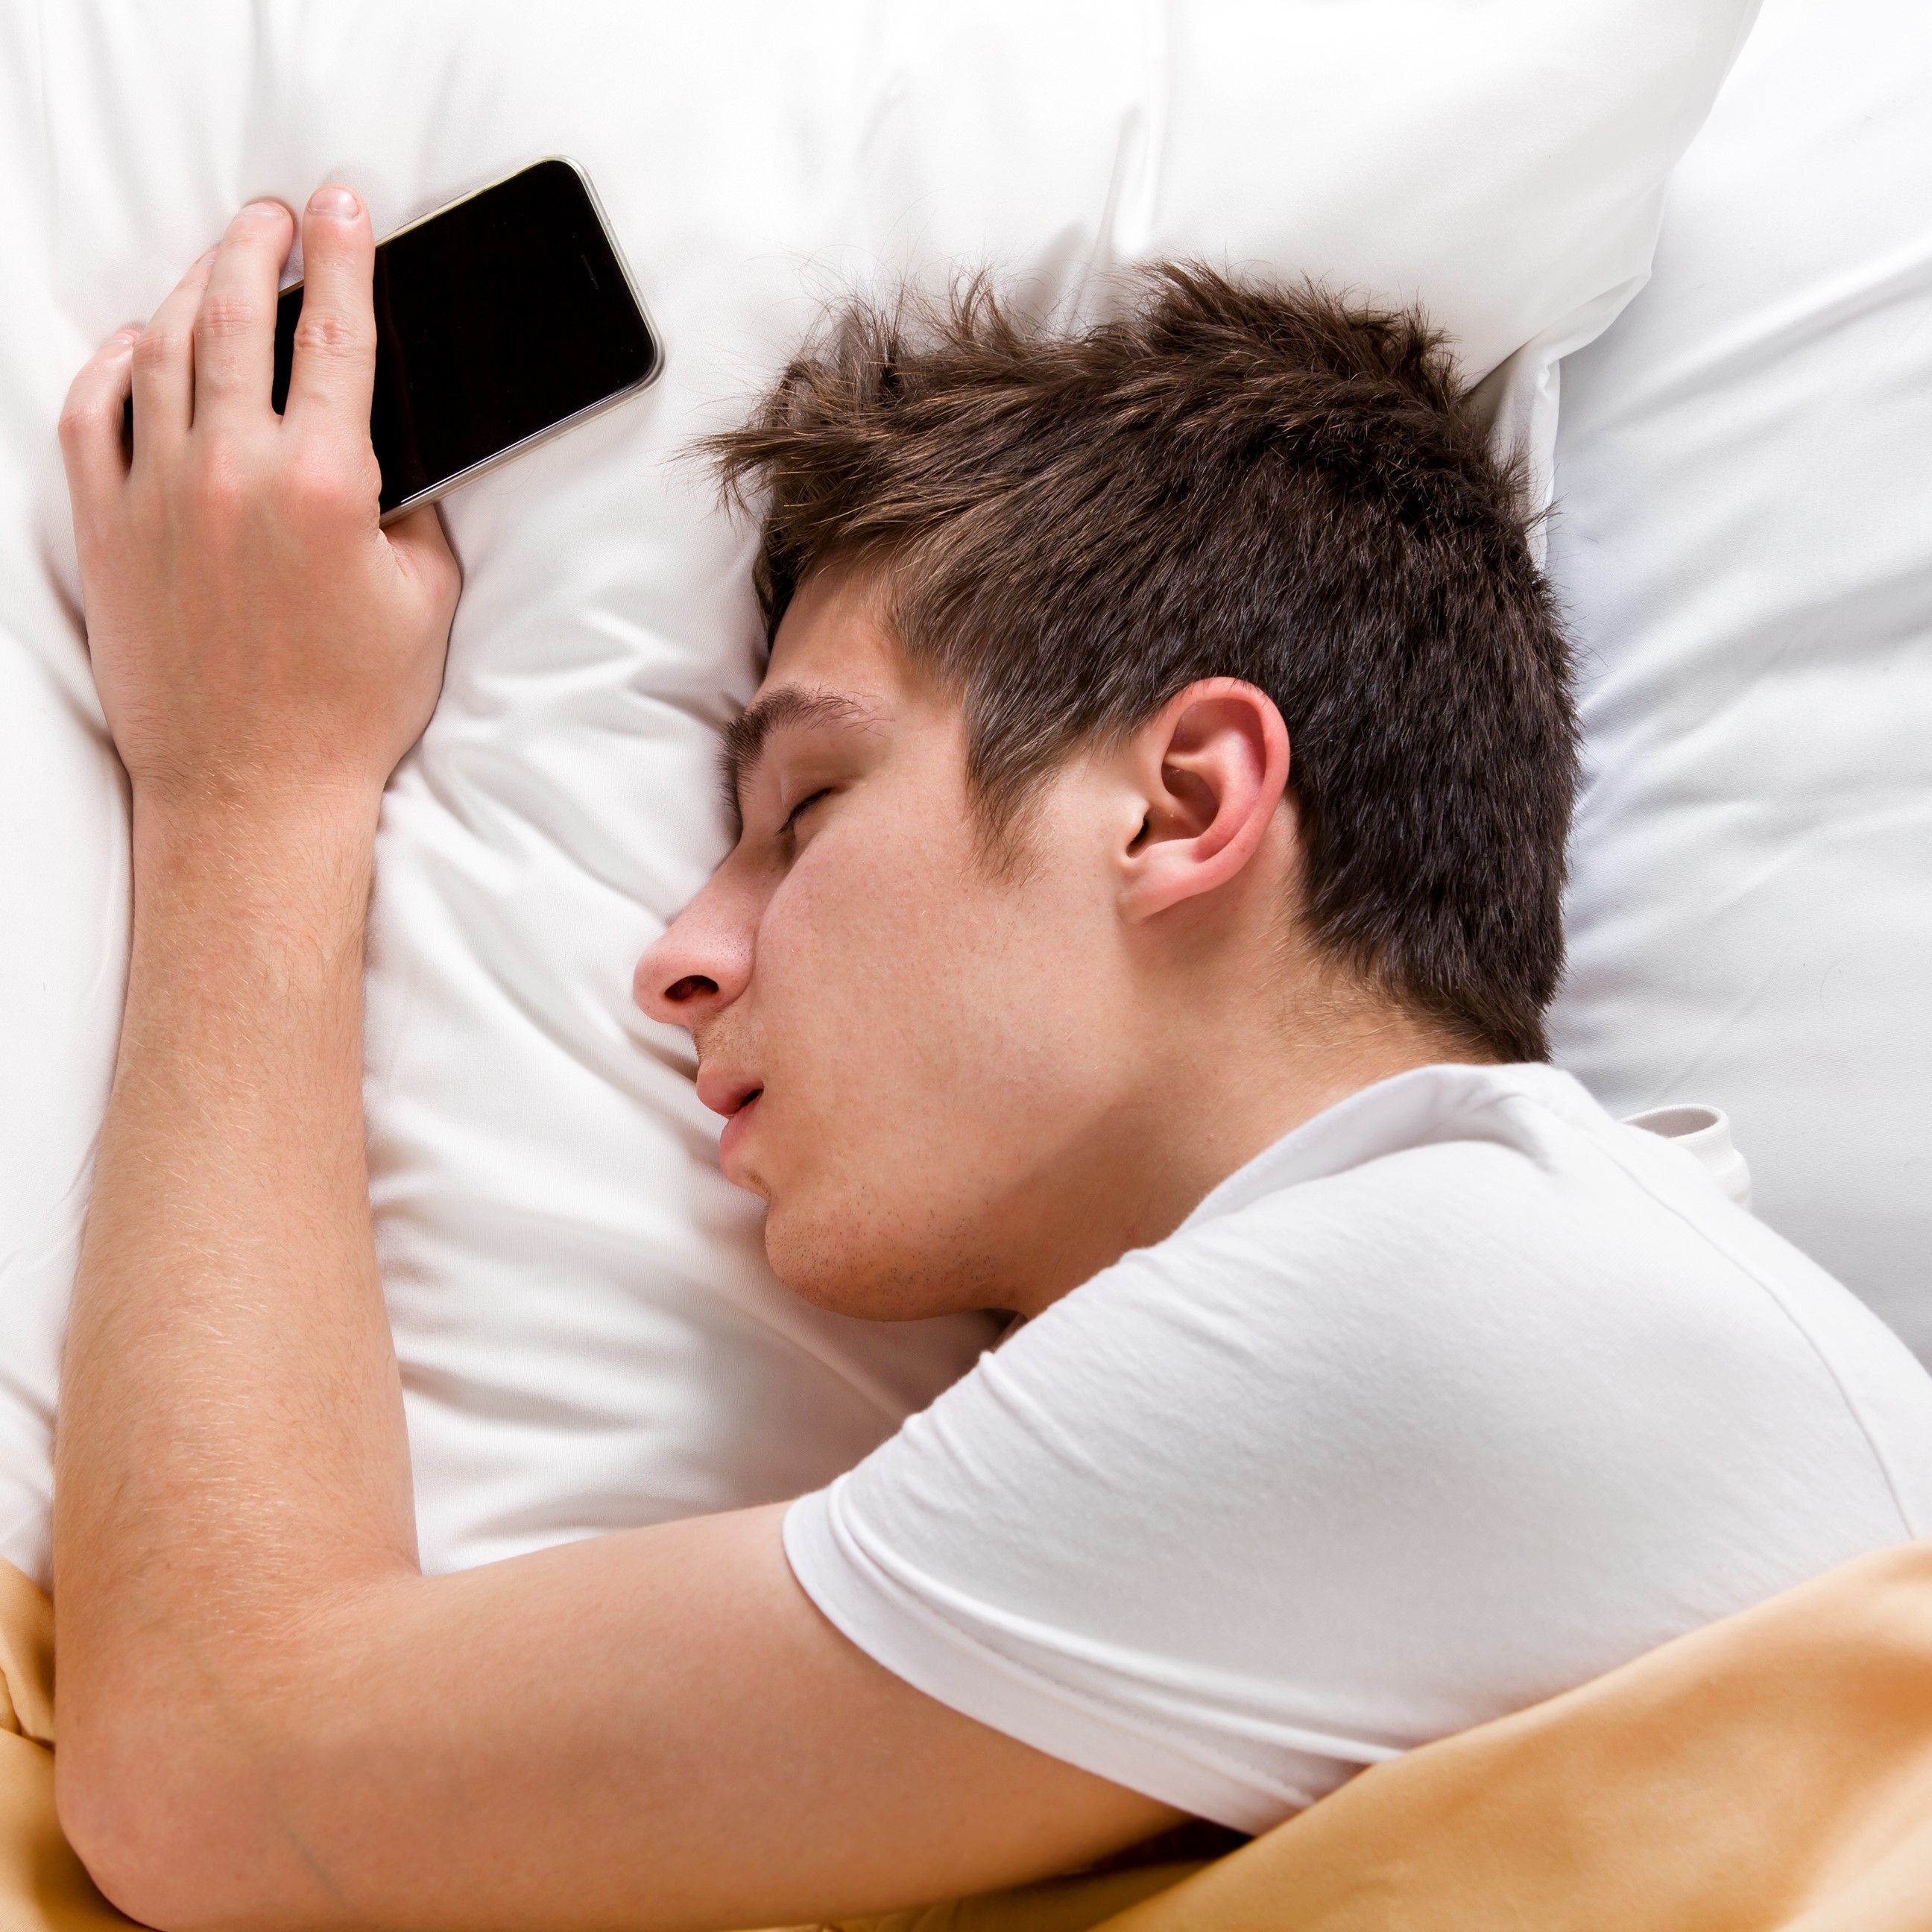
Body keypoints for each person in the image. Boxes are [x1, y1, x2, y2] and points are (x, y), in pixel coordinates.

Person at [48, 186, 1932, 1932]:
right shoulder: (1524, 1295)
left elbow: (222, 1766)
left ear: (1182, 802)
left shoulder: (1453, 1307)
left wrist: (248, 785)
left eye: (811, 803)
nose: (681, 961)